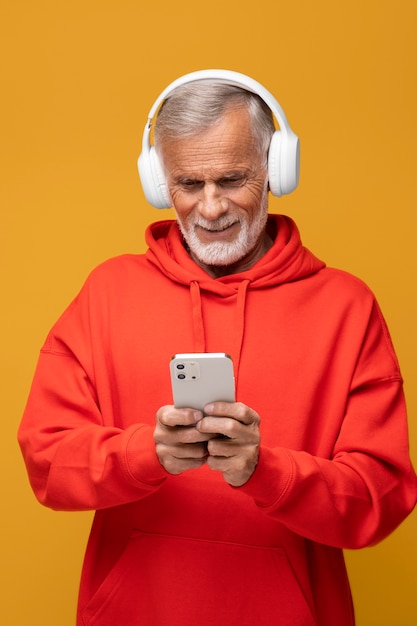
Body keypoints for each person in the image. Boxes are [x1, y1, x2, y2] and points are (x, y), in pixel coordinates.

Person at [18, 70, 417, 626]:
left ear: (277, 170)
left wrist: (268, 471)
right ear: (159, 184)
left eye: (232, 179)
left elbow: (381, 498)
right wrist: (143, 454)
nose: (210, 209)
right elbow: (47, 463)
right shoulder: (106, 292)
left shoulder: (346, 307)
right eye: (188, 183)